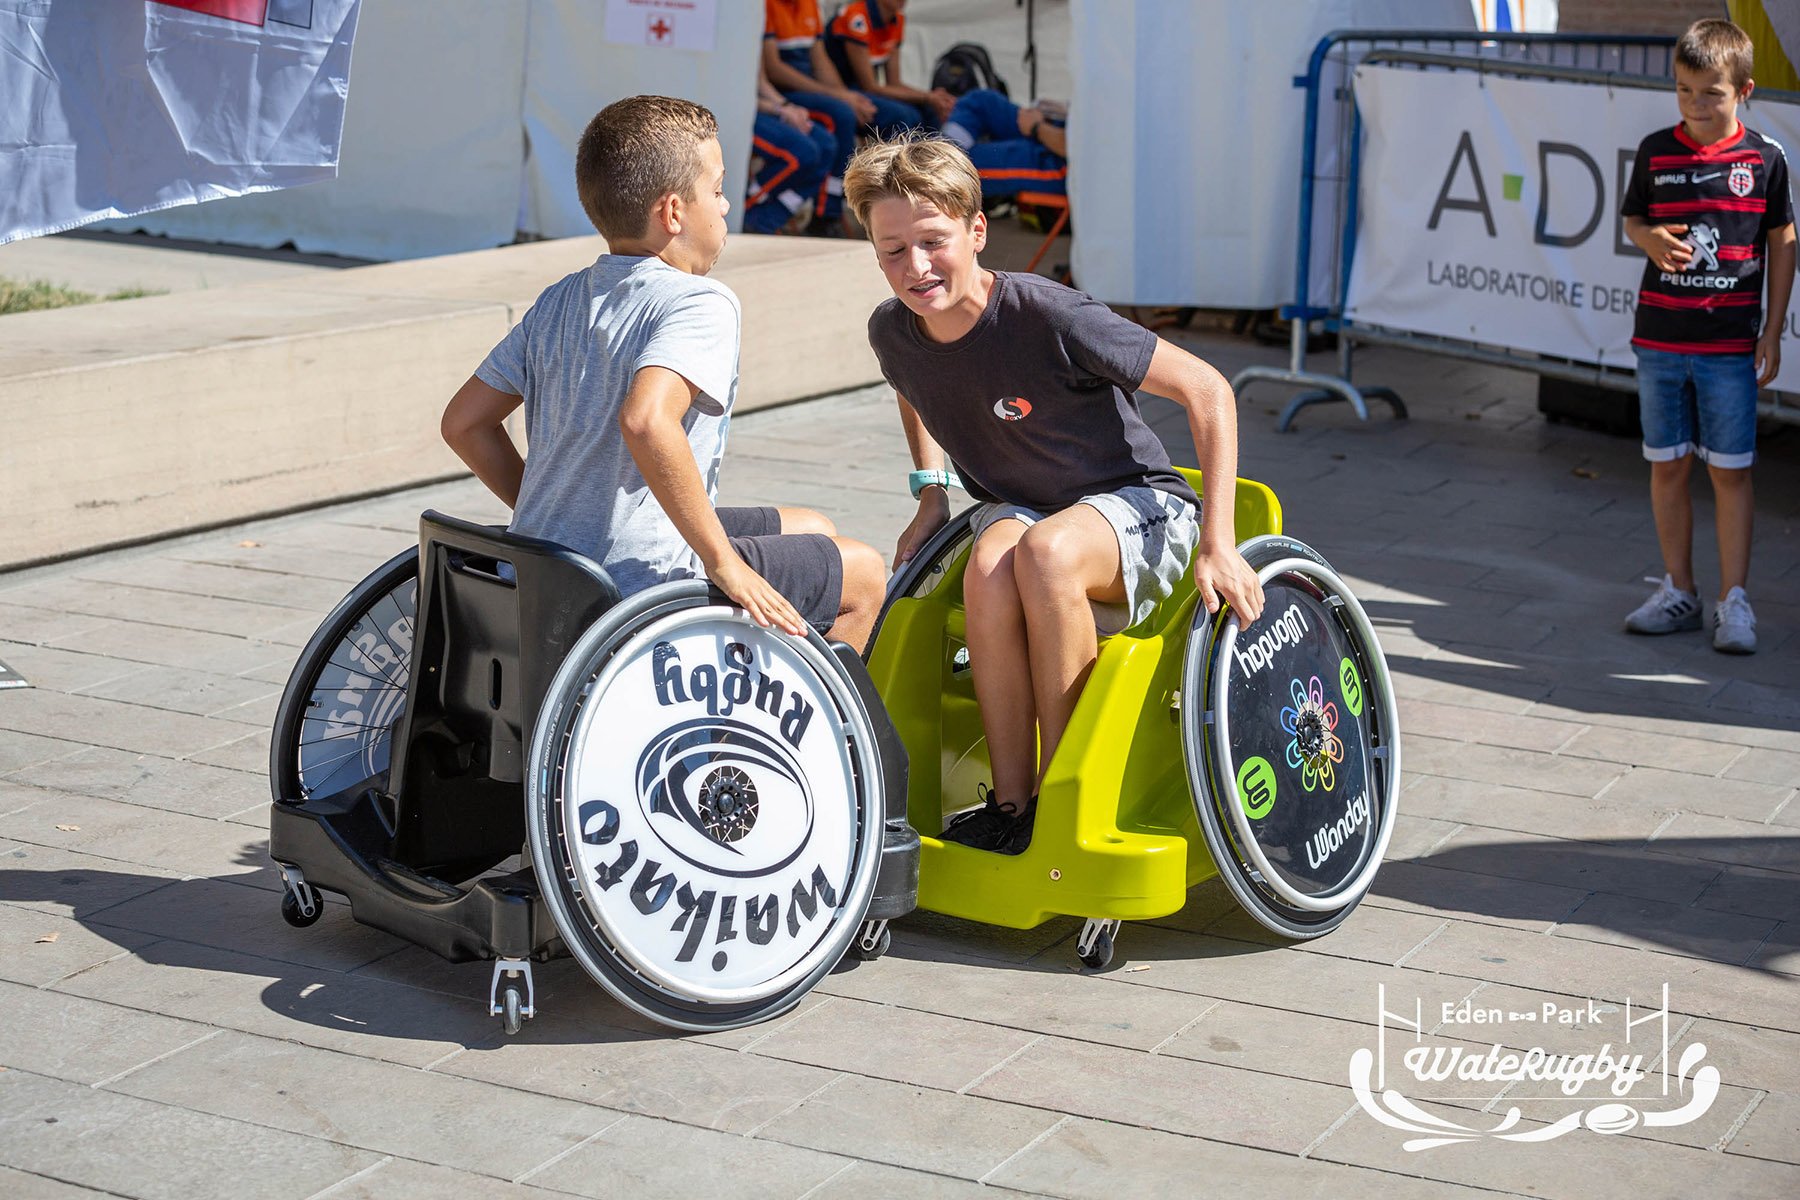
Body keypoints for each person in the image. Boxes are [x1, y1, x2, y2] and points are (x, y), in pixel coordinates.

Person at [843, 134, 1266, 854]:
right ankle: (1013, 806)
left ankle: (1067, 795)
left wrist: (1220, 546)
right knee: (986, 564)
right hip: (1029, 507)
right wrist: (932, 493)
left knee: (1044, 553)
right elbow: (912, 389)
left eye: (933, 241)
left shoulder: (1049, 315)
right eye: (891, 250)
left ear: (977, 231)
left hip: (1136, 504)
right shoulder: (894, 330)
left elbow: (1208, 390)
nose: (915, 266)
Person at [440, 96, 886, 651]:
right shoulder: (699, 302)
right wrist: (723, 563)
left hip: (549, 567)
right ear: (673, 213)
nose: (726, 207)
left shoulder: (560, 298)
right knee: (864, 573)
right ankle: (777, 728)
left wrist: (546, 516)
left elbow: (463, 424)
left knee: (813, 527)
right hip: (635, 583)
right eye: (719, 190)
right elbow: (648, 421)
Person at [1621, 18, 1794, 654]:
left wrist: (1772, 330)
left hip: (1729, 347)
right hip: (1659, 340)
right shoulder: (1654, 151)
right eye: (1684, 91)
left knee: (1731, 474)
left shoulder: (1767, 160)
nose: (1696, 106)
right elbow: (1634, 219)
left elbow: (1783, 241)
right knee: (1666, 467)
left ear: (1744, 90)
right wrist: (1648, 238)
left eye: (1711, 93)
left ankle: (1735, 602)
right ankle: (1680, 592)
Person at [763, 0, 873, 232]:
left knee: (885, 112)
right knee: (840, 116)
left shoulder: (809, 4)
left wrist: (846, 96)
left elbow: (821, 62)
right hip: (784, 93)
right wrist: (840, 98)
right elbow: (774, 69)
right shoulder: (767, 5)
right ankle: (827, 213)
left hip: (808, 89)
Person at [824, 0, 954, 136]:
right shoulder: (856, 18)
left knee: (930, 109)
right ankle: (900, 157)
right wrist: (928, 96)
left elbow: (894, 83)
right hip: (841, 90)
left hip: (865, 90)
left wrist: (933, 98)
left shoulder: (897, 19)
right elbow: (870, 86)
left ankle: (934, 154)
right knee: (903, 116)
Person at [748, 64, 836, 235]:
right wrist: (779, 110)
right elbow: (731, 94)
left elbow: (762, 82)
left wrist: (788, 107)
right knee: (803, 152)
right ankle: (747, 205)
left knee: (826, 145)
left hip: (763, 106)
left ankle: (770, 217)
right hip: (737, 110)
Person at [942, 87, 1068, 199]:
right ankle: (939, 154)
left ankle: (935, 169)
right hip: (1061, 129)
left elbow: (1078, 151)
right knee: (981, 101)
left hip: (1064, 161)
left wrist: (1037, 127)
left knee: (956, 168)